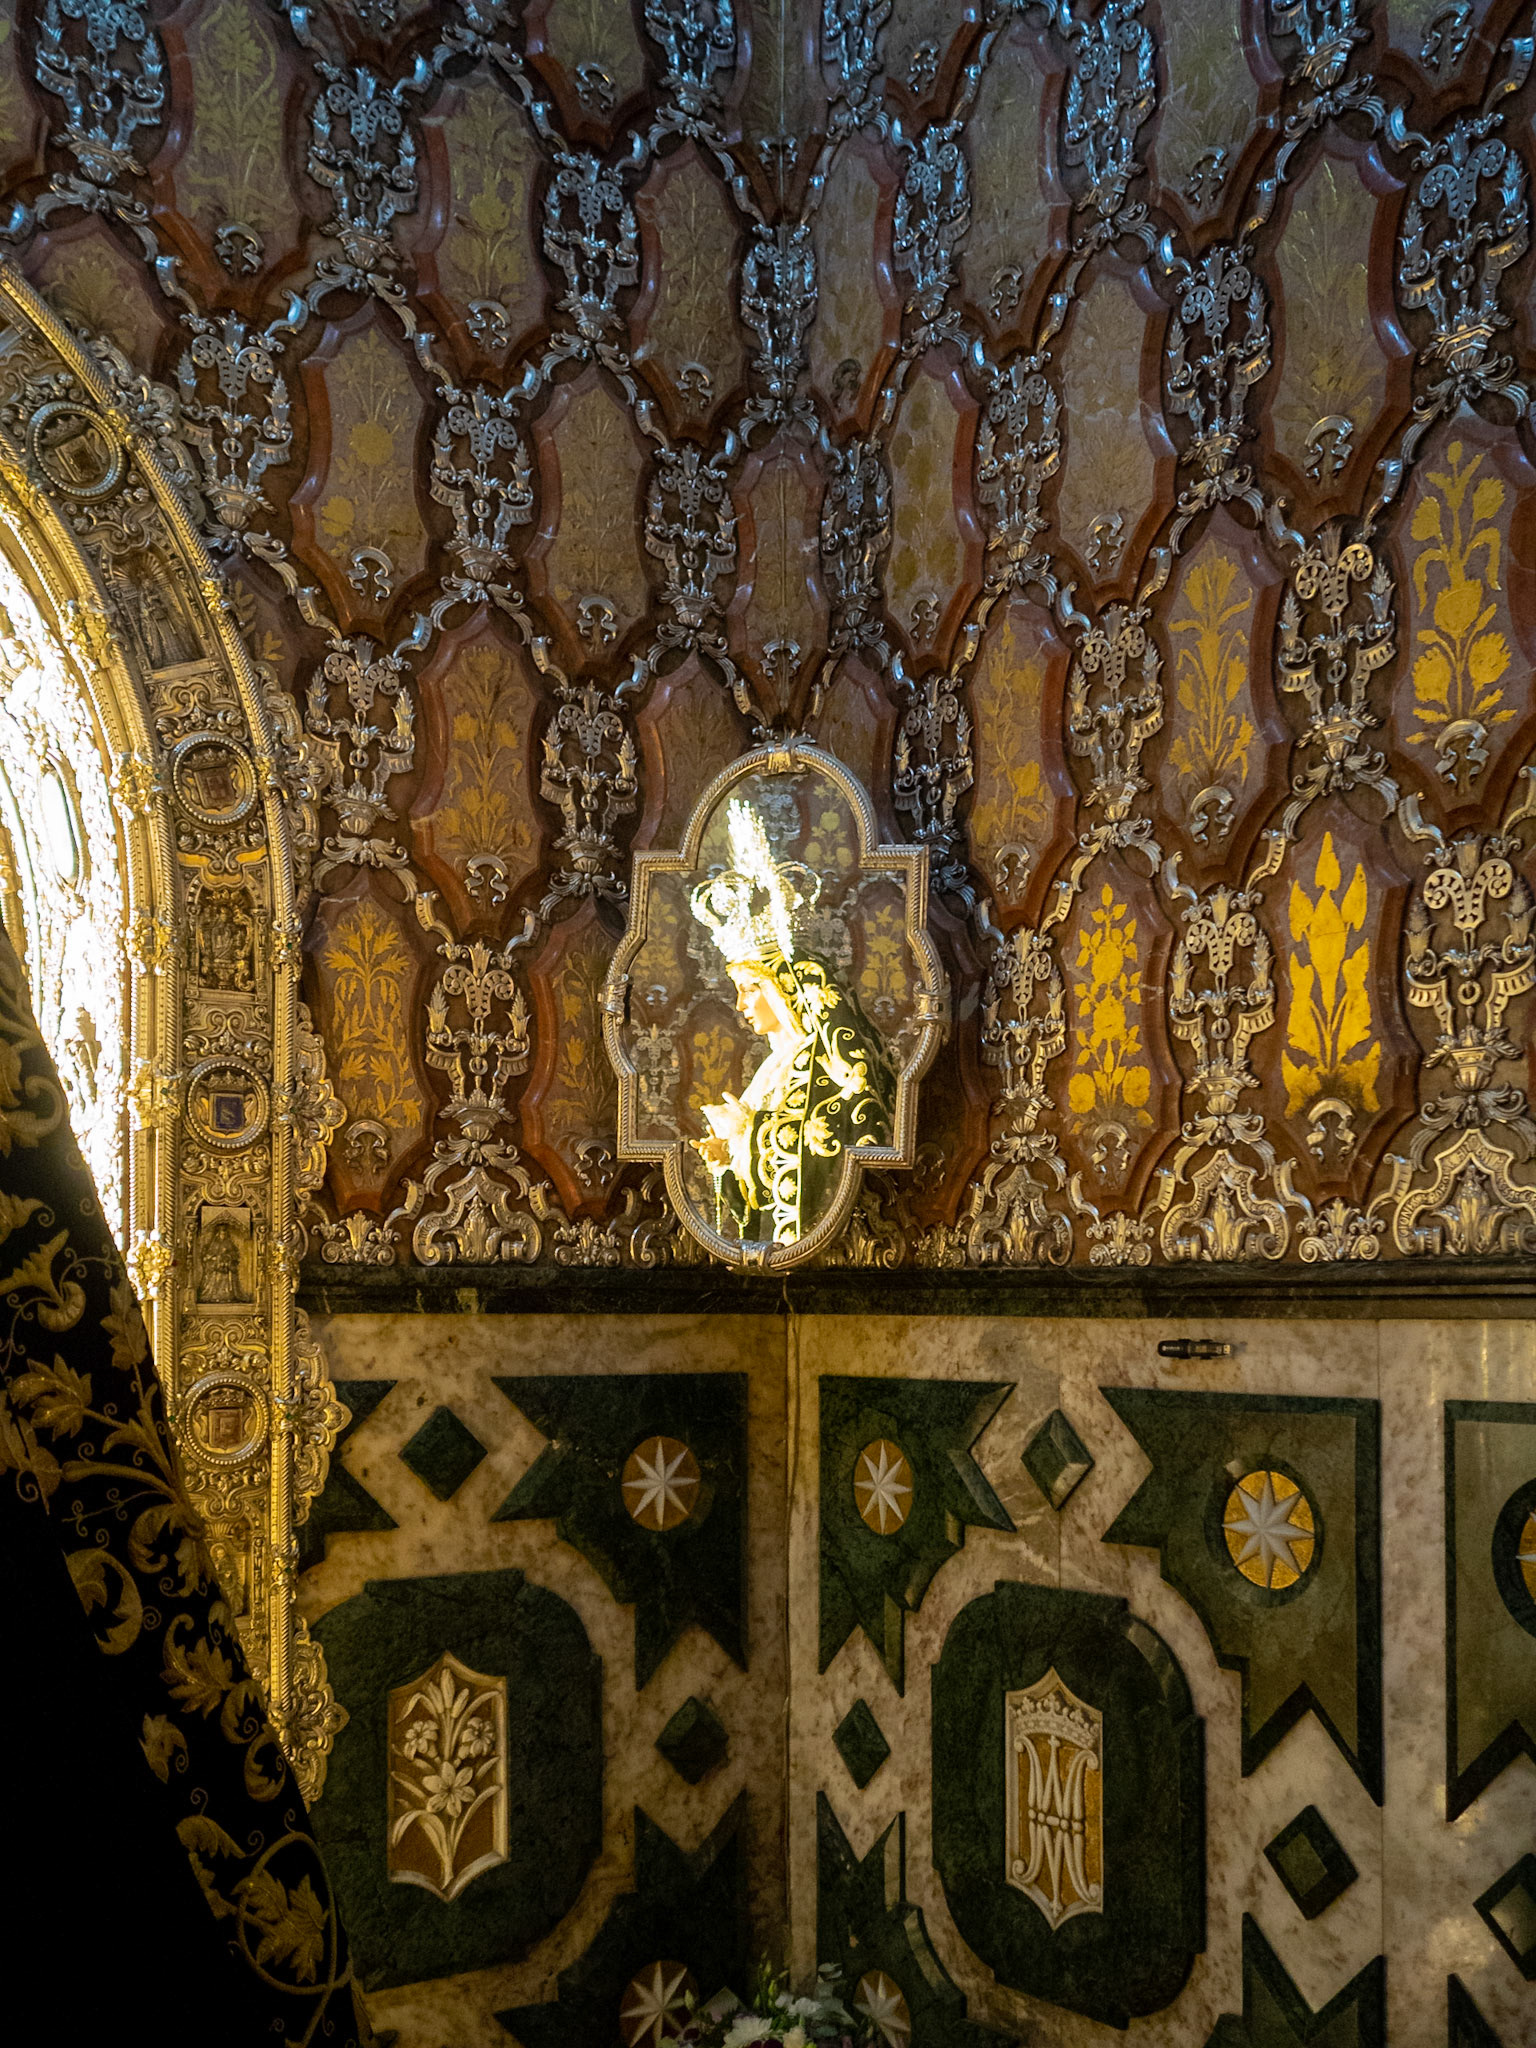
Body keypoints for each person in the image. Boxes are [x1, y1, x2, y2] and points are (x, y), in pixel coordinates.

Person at [690, 799, 894, 1246]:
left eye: (749, 989)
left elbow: (823, 1144)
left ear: (782, 989)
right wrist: (726, 1154)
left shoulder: (825, 1059)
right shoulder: (773, 1067)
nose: (741, 1004)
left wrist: (743, 1136)